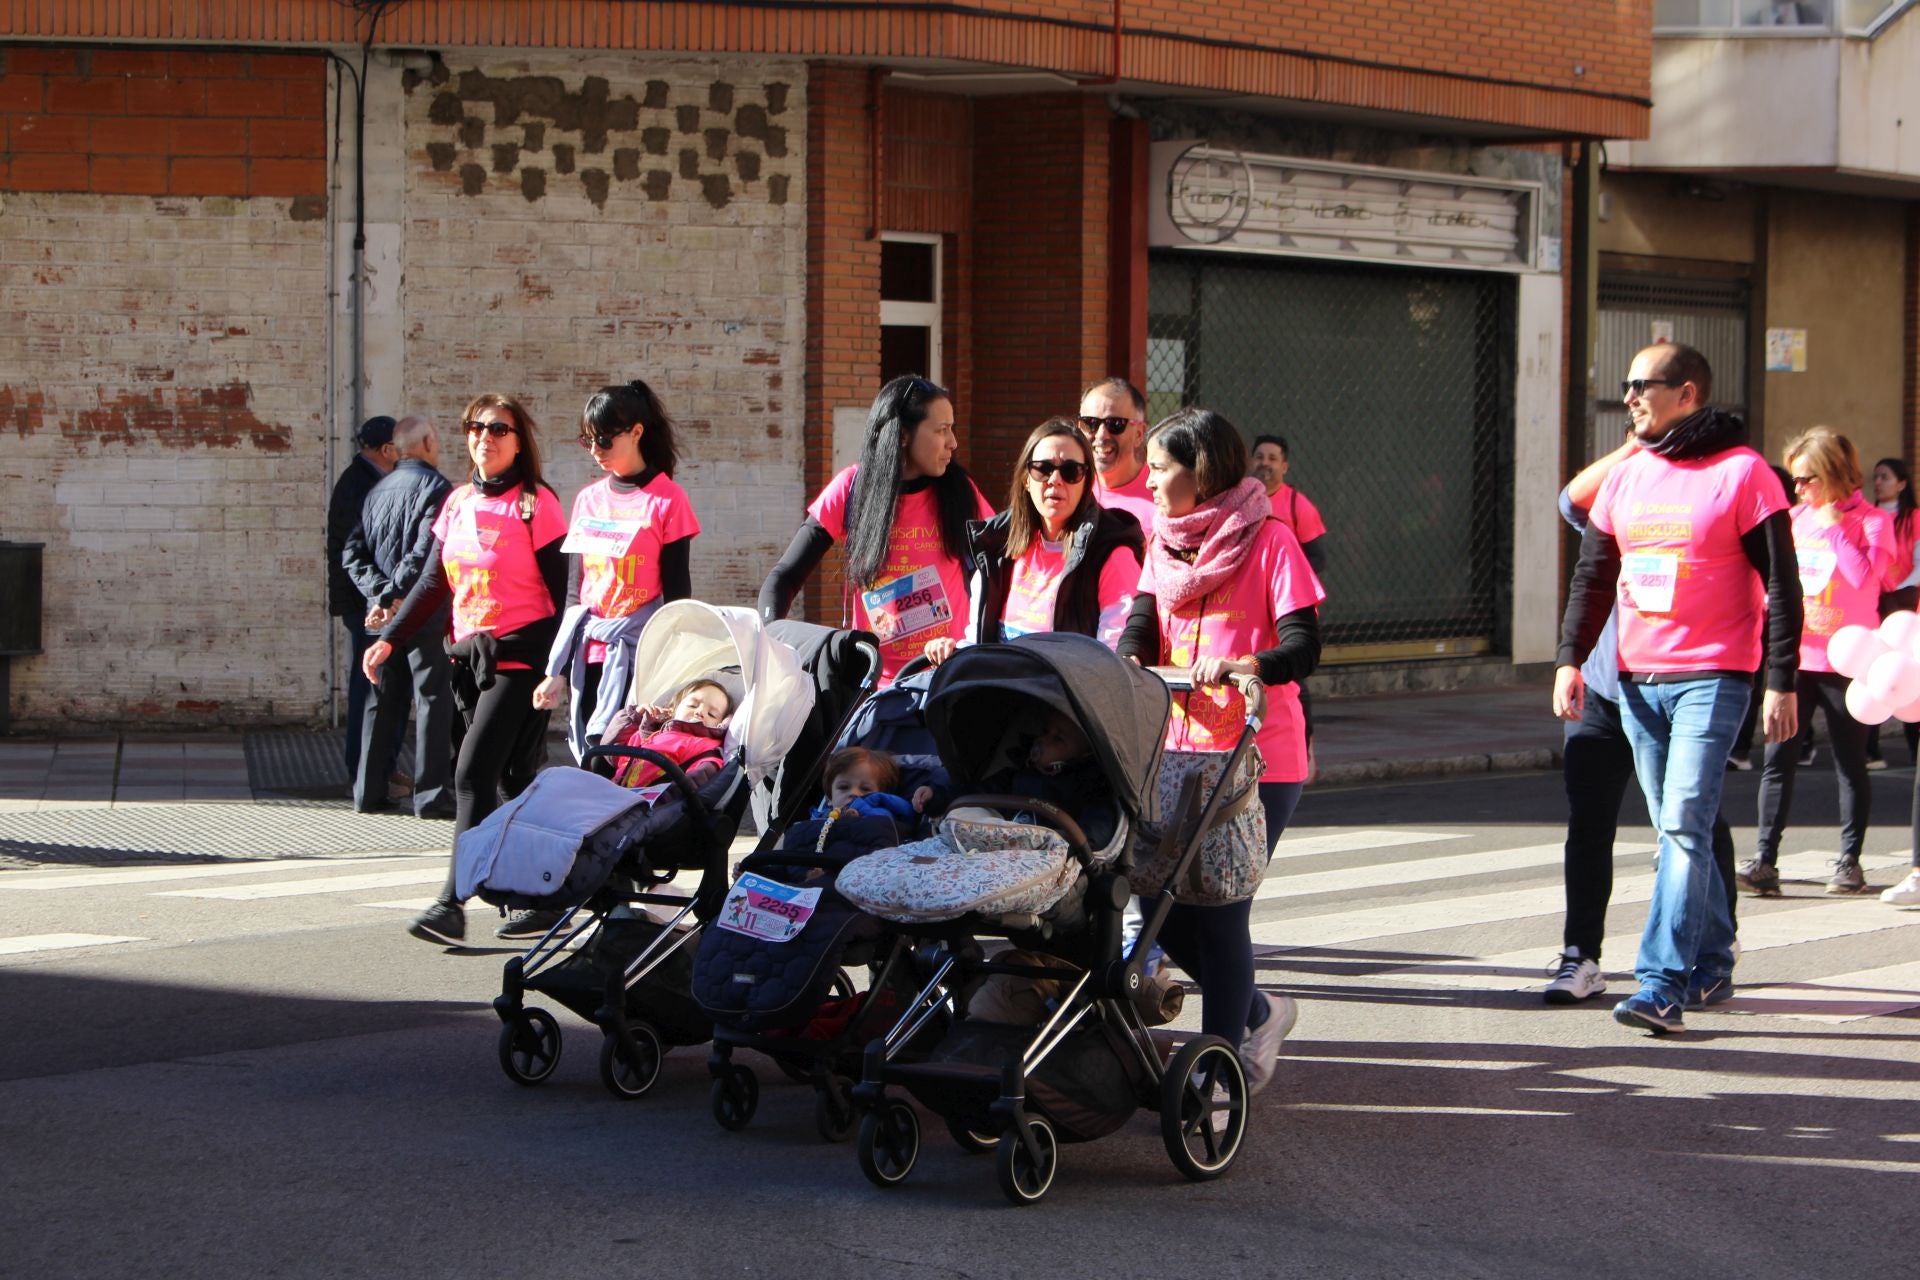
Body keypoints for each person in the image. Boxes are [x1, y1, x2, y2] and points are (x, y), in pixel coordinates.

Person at [1556, 342, 1801, 1036]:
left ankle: (1662, 983)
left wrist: (1780, 680)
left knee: (1684, 827)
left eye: (1644, 384)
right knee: (1678, 828)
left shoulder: (1745, 474)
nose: (1630, 395)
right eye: (1628, 384)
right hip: (1636, 681)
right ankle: (1715, 956)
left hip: (1714, 676)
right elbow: (1593, 576)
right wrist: (1570, 660)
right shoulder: (1629, 475)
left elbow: (1783, 585)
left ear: (1688, 392)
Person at [1117, 408, 1324, 1094]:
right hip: (1174, 753)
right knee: (1158, 912)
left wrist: (1247, 664)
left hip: (1256, 756)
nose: (1147, 482)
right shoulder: (1161, 544)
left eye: (1159, 468)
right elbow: (1139, 632)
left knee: (1223, 908)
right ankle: (1262, 1015)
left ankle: (1219, 1068)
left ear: (1199, 473)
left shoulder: (1271, 542)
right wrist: (1128, 664)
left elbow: (1303, 646)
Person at [1546, 426, 1741, 1005]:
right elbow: (1569, 500)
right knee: (1589, 825)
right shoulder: (1616, 509)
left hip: (1674, 685)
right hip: (1605, 693)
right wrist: (1637, 449)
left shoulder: (1691, 527)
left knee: (1689, 821)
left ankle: (1712, 951)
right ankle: (1581, 955)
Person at [367, 394, 568, 947]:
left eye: (499, 428)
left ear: (519, 439)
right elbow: (434, 583)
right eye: (476, 427)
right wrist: (389, 639)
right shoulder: (455, 502)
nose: (486, 436)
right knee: (516, 780)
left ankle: (451, 901)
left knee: (470, 775)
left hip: (519, 658)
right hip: (467, 658)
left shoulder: (537, 503)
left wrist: (554, 669)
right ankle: (546, 893)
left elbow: (558, 597)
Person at [1735, 430, 1890, 898]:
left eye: (1806, 479)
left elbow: (1866, 582)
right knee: (1777, 760)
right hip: (1797, 658)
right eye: (1795, 480)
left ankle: (1849, 861)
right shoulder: (1793, 520)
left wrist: (1835, 526)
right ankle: (1765, 858)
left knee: (1850, 764)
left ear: (1831, 475)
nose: (1798, 489)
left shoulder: (1873, 522)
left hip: (1848, 660)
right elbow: (1774, 582)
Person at [759, 375, 993, 683]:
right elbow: (784, 577)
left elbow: (1001, 570)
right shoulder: (852, 488)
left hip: (944, 680)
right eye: (941, 430)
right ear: (903, 435)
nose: (953, 442)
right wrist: (770, 643)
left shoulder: (962, 492)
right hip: (872, 686)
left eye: (952, 428)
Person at [533, 381, 699, 762]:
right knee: (589, 756)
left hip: (638, 650)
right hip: (590, 650)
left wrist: (674, 664)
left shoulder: (668, 499)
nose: (595, 451)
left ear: (637, 432)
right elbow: (577, 591)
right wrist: (556, 669)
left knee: (622, 757)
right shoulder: (588, 499)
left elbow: (678, 596)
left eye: (604, 440)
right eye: (587, 440)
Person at [927, 417, 1143, 665]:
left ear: (1086, 483)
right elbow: (977, 642)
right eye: (1043, 468)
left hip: (1069, 697)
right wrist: (949, 652)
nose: (1055, 480)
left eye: (1071, 471)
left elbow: (1112, 660)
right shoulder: (997, 545)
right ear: (1026, 480)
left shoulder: (1111, 551)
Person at [341, 414, 455, 819]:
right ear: (424, 444)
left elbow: (351, 554)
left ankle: (367, 793)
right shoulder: (439, 490)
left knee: (380, 701)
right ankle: (431, 796)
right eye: (437, 441)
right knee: (432, 700)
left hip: (384, 617)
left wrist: (379, 596)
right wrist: (393, 595)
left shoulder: (376, 490)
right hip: (423, 612)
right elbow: (426, 554)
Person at [326, 415, 399, 787]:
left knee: (376, 685)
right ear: (387, 450)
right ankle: (366, 772)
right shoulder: (364, 486)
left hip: (367, 601)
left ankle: (378, 768)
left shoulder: (364, 480)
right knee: (371, 687)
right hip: (368, 604)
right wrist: (381, 598)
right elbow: (358, 552)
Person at [1865, 456, 1919, 768]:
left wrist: (1897, 589)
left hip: (1905, 600)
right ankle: (1870, 748)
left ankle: (1915, 744)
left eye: (1885, 477)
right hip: (1876, 599)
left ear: (1902, 483)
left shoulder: (1914, 518)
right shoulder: (1869, 517)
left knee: (1909, 672)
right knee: (1874, 670)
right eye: (1877, 477)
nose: (1880, 482)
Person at [599, 677, 733, 790]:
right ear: (673, 709)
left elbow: (699, 777)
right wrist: (634, 717)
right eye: (692, 705)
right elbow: (612, 754)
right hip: (613, 793)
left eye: (712, 714)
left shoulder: (705, 746)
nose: (700, 712)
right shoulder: (650, 733)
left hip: (650, 807)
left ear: (720, 724)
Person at [1079, 376, 1157, 531]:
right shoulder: (1069, 485)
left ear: (1139, 434)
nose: (1101, 435)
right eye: (1090, 424)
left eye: (1115, 424)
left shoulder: (1162, 493)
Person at [1250, 434, 1328, 574]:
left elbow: (1317, 558)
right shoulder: (1237, 500)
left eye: (1272, 459)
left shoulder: (1299, 506)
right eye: (1259, 457)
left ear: (1284, 467)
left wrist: (1284, 575)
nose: (1264, 463)